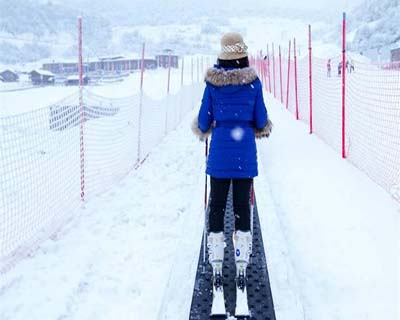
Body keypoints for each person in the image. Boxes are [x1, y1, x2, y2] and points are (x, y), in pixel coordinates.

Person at [191, 32, 272, 294]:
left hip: (219, 156)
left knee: (215, 207)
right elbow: (261, 121)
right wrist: (255, 126)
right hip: (244, 155)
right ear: (243, 55)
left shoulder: (212, 85)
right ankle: (241, 263)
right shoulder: (253, 83)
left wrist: (207, 127)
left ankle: (215, 263)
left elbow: (203, 121)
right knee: (241, 208)